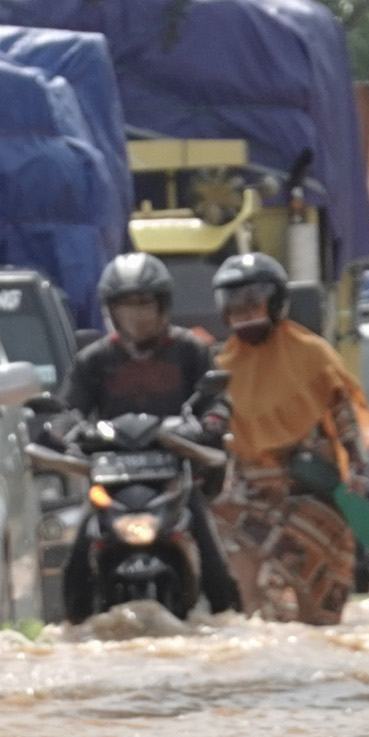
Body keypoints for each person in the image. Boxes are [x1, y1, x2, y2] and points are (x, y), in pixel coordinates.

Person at [63, 249, 239, 618]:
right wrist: (64, 431)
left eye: (145, 304)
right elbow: (69, 412)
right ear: (111, 311)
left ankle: (229, 623)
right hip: (111, 479)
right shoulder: (93, 360)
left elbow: (216, 402)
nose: (137, 315)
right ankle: (74, 633)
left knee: (213, 560)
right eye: (127, 306)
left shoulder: (191, 350)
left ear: (163, 306)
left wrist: (210, 424)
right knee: (77, 557)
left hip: (174, 476)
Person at [210, 247, 369, 625]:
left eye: (253, 302)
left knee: (308, 590)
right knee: (240, 568)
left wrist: (359, 469)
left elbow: (345, 419)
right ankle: (257, 641)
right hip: (252, 495)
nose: (244, 312)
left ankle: (311, 644)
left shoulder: (313, 355)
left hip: (309, 494)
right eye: (234, 304)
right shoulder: (220, 368)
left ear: (277, 303)